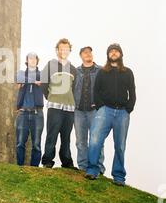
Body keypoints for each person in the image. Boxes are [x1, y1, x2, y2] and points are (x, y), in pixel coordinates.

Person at [85, 43, 136, 186]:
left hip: (122, 113)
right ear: (108, 55)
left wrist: (128, 108)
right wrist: (100, 107)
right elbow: (96, 91)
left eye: (116, 51)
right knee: (95, 140)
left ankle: (119, 177)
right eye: (111, 51)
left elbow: (132, 92)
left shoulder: (128, 72)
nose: (113, 53)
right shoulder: (102, 72)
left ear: (120, 54)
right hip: (104, 111)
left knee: (120, 145)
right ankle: (92, 170)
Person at [41, 38, 77, 168]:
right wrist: (50, 97)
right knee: (52, 134)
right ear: (57, 50)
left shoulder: (73, 69)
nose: (63, 51)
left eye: (66, 49)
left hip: (69, 108)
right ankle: (47, 161)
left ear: (69, 51)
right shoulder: (51, 65)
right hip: (55, 106)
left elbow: (75, 88)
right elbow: (44, 84)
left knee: (66, 137)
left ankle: (67, 162)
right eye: (61, 48)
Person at [74, 46, 105, 174]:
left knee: (97, 139)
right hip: (78, 111)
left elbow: (105, 88)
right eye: (85, 53)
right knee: (81, 140)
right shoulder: (76, 71)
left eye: (89, 52)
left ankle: (98, 167)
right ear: (81, 56)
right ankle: (83, 167)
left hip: (95, 111)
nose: (88, 54)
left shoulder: (101, 71)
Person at [15, 52, 44, 166]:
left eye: (34, 58)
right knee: (20, 142)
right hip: (23, 112)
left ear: (37, 61)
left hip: (37, 113)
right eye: (30, 58)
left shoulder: (41, 74)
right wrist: (33, 82)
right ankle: (20, 166)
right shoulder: (21, 73)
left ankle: (34, 168)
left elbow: (42, 81)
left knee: (36, 143)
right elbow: (18, 78)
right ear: (26, 61)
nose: (32, 60)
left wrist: (28, 81)